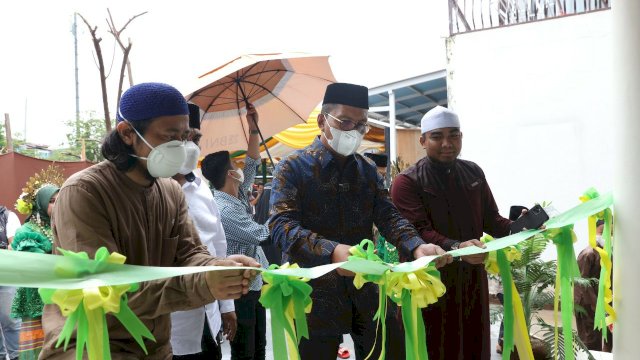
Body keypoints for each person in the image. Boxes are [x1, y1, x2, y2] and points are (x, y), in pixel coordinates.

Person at [40, 82, 259, 359]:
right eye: (170, 136)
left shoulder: (169, 191)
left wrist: (218, 268)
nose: (180, 147)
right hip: (92, 346)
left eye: (184, 137)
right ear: (128, 133)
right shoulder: (84, 192)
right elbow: (104, 289)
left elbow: (191, 254)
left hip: (155, 348)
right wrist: (204, 284)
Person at [269, 82, 451, 360]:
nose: (353, 130)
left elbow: (389, 216)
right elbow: (282, 226)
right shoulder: (292, 167)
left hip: (366, 288)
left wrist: (416, 246)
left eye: (361, 124)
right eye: (345, 121)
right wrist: (332, 252)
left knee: (389, 351)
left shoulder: (366, 170)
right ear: (322, 121)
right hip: (313, 294)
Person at [390, 105, 513, 360]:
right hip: (430, 284)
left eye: (454, 135)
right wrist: (458, 248)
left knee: (473, 347)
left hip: (471, 282)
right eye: (437, 136)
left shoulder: (473, 172)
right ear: (423, 140)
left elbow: (493, 220)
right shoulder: (407, 182)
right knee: (435, 349)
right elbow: (419, 232)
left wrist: (523, 226)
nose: (447, 143)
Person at [201, 103, 269, 360]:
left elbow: (252, 163)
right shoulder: (224, 209)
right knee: (245, 352)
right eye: (235, 164)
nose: (241, 168)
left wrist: (254, 129)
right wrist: (285, 212)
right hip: (238, 291)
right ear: (231, 173)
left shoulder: (237, 193)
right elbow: (261, 235)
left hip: (254, 284)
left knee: (260, 346)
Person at [170, 103, 237, 360]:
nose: (190, 145)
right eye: (182, 137)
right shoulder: (146, 191)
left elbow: (219, 247)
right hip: (169, 326)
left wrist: (227, 305)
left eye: (195, 137)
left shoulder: (201, 187)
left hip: (208, 318)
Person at [11, 181, 60, 360]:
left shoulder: (63, 225)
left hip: (62, 294)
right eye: (52, 200)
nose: (57, 204)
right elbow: (31, 265)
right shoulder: (27, 231)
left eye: (60, 200)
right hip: (37, 296)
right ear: (40, 203)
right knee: (38, 346)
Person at [574, 219, 612, 352]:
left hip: (604, 305)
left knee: (609, 339)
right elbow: (582, 283)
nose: (608, 236)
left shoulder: (608, 254)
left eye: (611, 233)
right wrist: (598, 306)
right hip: (587, 306)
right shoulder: (588, 254)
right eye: (603, 231)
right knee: (590, 343)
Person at [0, 205, 21, 360]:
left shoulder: (8, 216)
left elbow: (13, 247)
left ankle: (16, 356)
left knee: (11, 319)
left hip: (5, 274)